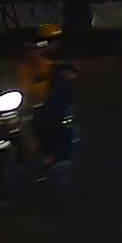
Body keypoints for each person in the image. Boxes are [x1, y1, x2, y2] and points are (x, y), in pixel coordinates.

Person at [17, 24, 78, 167]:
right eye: (49, 41)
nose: (53, 44)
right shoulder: (33, 59)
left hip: (58, 105)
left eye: (55, 40)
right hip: (34, 104)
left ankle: (58, 154)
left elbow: (72, 74)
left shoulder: (62, 63)